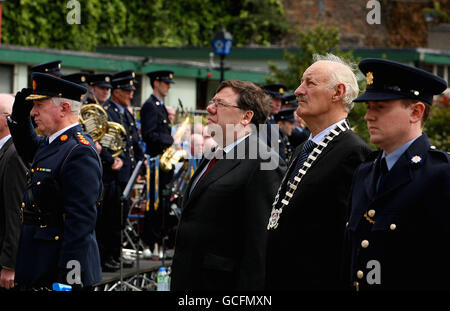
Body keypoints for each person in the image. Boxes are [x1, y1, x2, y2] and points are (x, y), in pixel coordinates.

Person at [265, 54, 372, 290]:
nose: (298, 91)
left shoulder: (354, 152)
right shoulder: (304, 148)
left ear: (337, 93)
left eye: (309, 83)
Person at [343, 58, 449, 290]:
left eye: (380, 107)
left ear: (415, 112)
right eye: (369, 108)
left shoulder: (441, 175)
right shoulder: (365, 172)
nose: (368, 116)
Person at [171, 79, 286, 291]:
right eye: (212, 101)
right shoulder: (215, 153)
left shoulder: (263, 161)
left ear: (246, 116)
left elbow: (258, 246)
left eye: (220, 104)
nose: (209, 108)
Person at [7, 73, 103, 290]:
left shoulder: (79, 151)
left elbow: (80, 221)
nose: (34, 112)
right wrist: (19, 117)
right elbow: (28, 147)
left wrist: (68, 278)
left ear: (64, 108)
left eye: (39, 104)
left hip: (58, 269)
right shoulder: (53, 144)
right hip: (37, 262)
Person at [100, 73, 144, 269]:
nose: (131, 94)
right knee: (109, 217)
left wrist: (140, 164)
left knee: (120, 217)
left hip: (126, 172)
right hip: (112, 172)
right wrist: (111, 160)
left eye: (132, 90)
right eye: (127, 90)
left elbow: (133, 140)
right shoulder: (107, 110)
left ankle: (115, 254)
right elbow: (105, 139)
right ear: (116, 92)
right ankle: (106, 256)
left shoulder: (125, 112)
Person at [140, 70, 175, 256]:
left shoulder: (160, 106)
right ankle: (151, 241)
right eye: (165, 83)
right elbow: (148, 134)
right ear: (156, 83)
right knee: (154, 202)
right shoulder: (150, 106)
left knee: (163, 203)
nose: (168, 86)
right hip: (155, 162)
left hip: (164, 162)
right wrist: (169, 139)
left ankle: (159, 240)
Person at [0, 94, 27, 290]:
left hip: (3, 256)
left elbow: (15, 211)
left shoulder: (15, 153)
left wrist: (9, 264)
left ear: (7, 118)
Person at [261, 84, 287, 148]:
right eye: (275, 100)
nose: (279, 104)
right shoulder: (262, 121)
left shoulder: (272, 120)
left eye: (280, 100)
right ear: (265, 99)